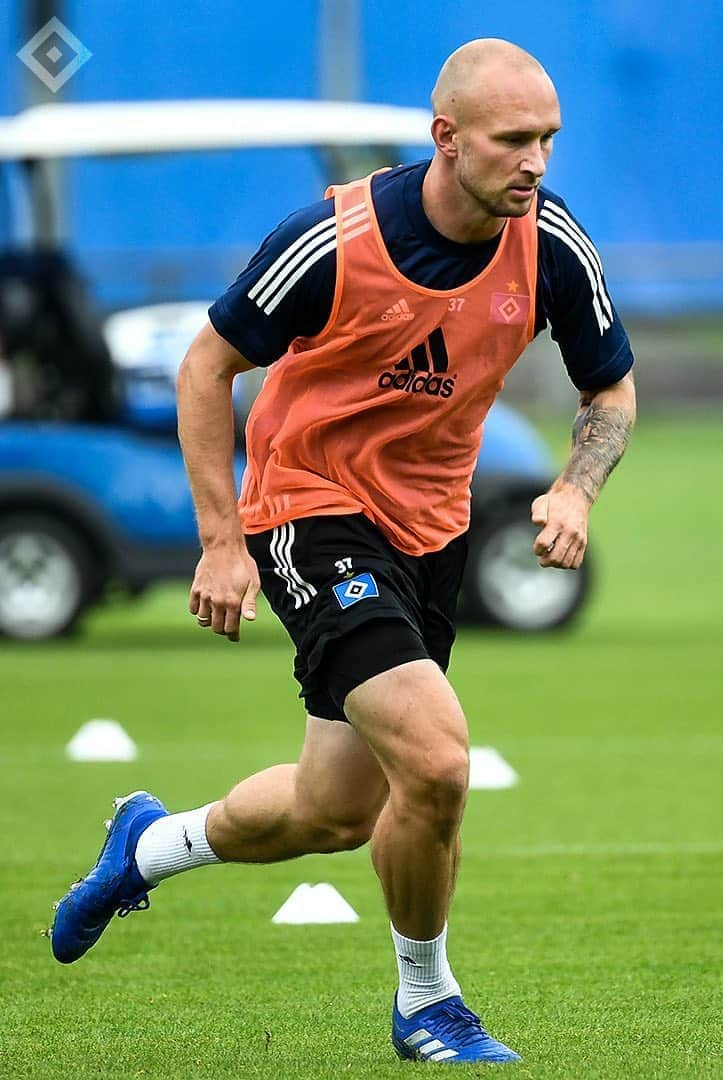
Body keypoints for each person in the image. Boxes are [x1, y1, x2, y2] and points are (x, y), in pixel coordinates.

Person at [50, 38, 635, 1065]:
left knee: (333, 813)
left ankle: (146, 846)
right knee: (440, 761)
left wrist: (576, 489)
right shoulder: (333, 239)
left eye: (548, 138)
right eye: (513, 140)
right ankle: (428, 1004)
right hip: (309, 512)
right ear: (445, 137)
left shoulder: (551, 246)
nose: (537, 162)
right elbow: (205, 367)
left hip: (432, 532)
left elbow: (611, 390)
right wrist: (221, 541)